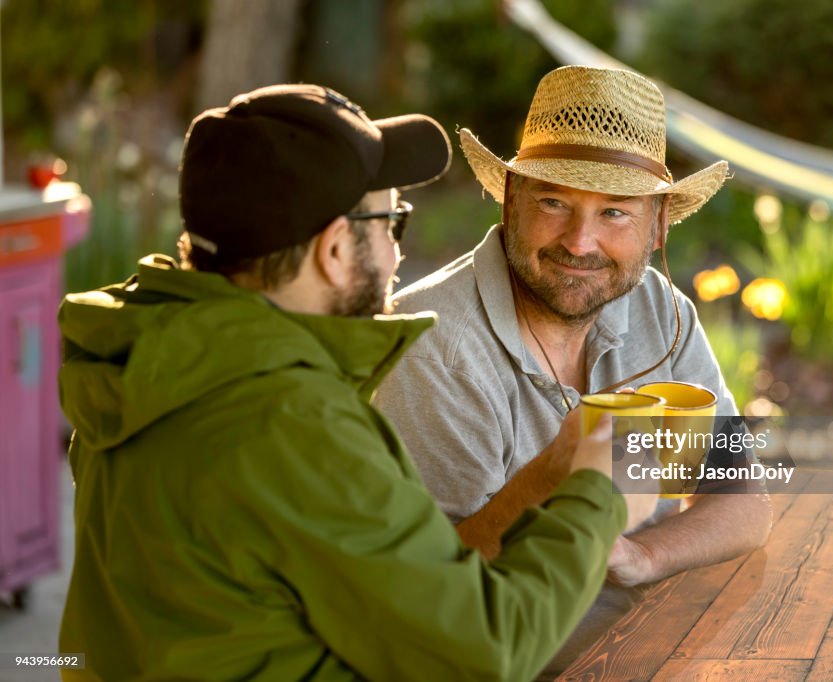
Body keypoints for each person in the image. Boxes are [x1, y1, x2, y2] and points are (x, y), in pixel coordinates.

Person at [57, 83, 657, 681]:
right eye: (392, 223)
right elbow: (483, 649)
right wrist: (596, 487)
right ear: (337, 249)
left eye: (615, 212)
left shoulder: (148, 359)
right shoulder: (294, 422)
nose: (397, 257)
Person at [374, 65, 774, 675]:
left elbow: (744, 500)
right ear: (510, 199)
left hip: (660, 644)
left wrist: (644, 556)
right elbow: (427, 593)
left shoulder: (662, 313)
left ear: (658, 224)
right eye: (554, 203)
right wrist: (555, 473)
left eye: (615, 212)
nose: (580, 242)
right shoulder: (435, 345)